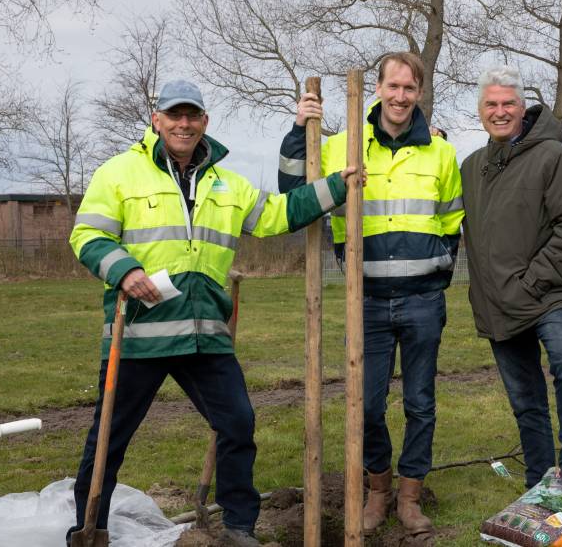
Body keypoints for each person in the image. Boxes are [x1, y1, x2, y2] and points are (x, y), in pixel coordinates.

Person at [67, 79, 359, 547]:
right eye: (174, 116)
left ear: (204, 122)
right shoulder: (119, 173)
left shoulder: (227, 182)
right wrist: (123, 270)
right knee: (109, 436)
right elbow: (86, 236)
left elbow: (278, 215)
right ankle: (88, 526)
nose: (184, 124)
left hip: (205, 335)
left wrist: (335, 188)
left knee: (238, 423)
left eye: (193, 116)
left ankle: (239, 526)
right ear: (157, 120)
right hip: (140, 332)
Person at [278, 52, 464, 535]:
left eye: (410, 88)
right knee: (368, 404)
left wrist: (440, 264)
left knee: (420, 402)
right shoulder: (344, 147)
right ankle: (378, 489)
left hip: (424, 300)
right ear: (378, 89)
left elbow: (452, 218)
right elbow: (292, 191)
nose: (401, 96)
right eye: (393, 86)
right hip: (368, 301)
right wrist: (301, 129)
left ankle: (409, 497)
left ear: (419, 93)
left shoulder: (440, 152)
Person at [459, 65, 562, 517]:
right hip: (498, 301)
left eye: (508, 104)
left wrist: (534, 280)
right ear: (481, 112)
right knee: (525, 400)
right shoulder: (472, 168)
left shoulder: (555, 157)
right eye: (491, 105)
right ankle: (541, 478)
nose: (500, 112)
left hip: (547, 294)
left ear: (523, 108)